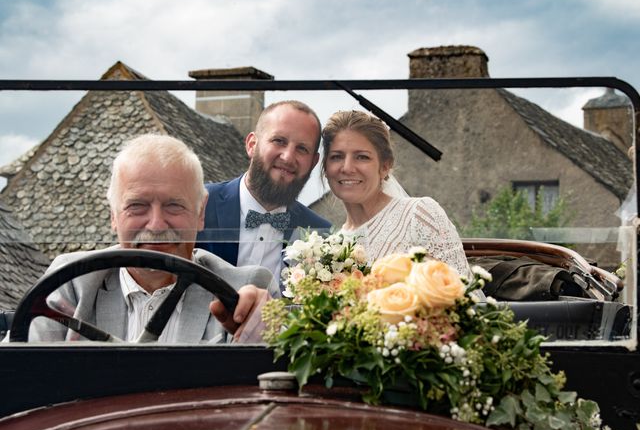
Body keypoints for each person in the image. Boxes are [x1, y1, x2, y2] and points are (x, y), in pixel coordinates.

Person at [29, 134, 278, 343]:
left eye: (173, 206)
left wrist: (267, 335)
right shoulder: (70, 281)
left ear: (200, 213)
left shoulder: (244, 291)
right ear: (114, 215)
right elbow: (18, 371)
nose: (156, 225)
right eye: (137, 206)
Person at [197, 100, 331, 291]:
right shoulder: (199, 204)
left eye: (302, 149)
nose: (288, 157)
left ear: (313, 162)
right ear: (252, 145)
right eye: (279, 141)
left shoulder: (321, 236)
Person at [321, 110, 470, 277]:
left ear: (385, 166)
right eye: (336, 157)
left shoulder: (419, 215)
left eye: (362, 157)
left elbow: (467, 295)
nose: (347, 168)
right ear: (326, 168)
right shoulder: (329, 251)